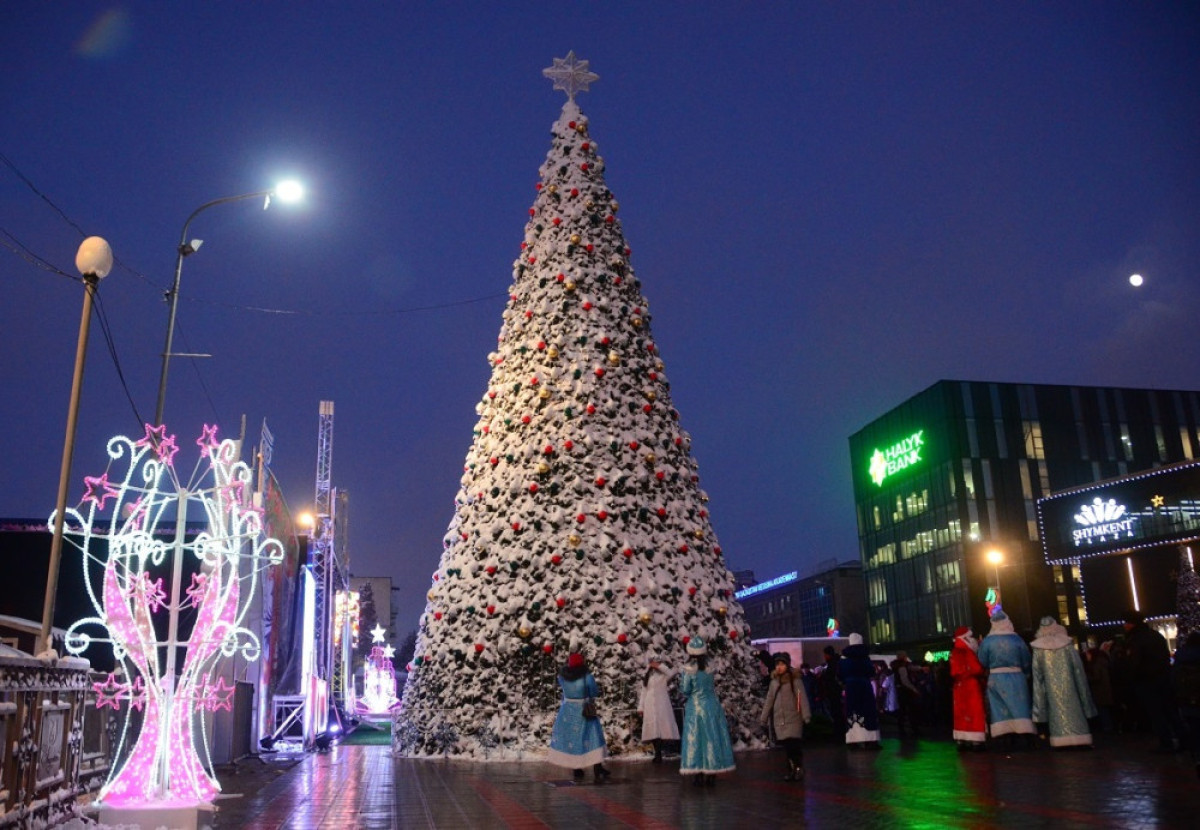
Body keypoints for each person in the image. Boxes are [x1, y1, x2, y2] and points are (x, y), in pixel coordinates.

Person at [1123, 611, 1186, 751]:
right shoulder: (1155, 636)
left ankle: (1166, 742)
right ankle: (1183, 739)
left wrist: (1131, 677)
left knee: (1156, 713)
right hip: (1163, 678)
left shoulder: (1136, 639)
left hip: (1146, 680)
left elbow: (1134, 662)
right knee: (1170, 710)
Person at [1030, 616, 1097, 749]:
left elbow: (1037, 676)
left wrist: (1039, 708)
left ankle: (1060, 738)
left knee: (1056, 711)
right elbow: (1078, 669)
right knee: (1074, 708)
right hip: (1070, 686)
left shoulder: (1038, 648)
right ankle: (1080, 736)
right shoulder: (1067, 645)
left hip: (1051, 689)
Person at [678, 636, 736, 786]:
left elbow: (685, 689)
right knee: (712, 738)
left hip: (695, 708)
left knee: (695, 739)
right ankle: (712, 772)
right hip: (712, 706)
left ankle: (697, 772)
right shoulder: (710, 667)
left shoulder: (688, 669)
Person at [547, 652, 611, 782]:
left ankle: (576, 769)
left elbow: (562, 691)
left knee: (572, 739)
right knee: (593, 737)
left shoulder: (562, 677)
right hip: (584, 710)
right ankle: (597, 768)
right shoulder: (586, 676)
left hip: (567, 711)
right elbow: (594, 691)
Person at [976, 610, 1036, 747]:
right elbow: (1026, 659)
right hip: (1017, 678)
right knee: (1020, 706)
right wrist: (1026, 674)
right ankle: (1025, 736)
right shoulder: (1017, 639)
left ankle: (1004, 738)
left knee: (999, 708)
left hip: (996, 679)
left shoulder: (987, 641)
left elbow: (982, 661)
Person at [760, 651, 813, 781]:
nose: (779, 667)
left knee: (793, 746)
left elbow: (802, 699)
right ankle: (792, 770)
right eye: (777, 664)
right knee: (788, 748)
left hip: (793, 718)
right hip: (780, 720)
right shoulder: (774, 682)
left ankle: (798, 769)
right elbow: (769, 701)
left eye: (782, 664)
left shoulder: (794, 680)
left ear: (787, 665)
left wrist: (805, 715)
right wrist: (763, 718)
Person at [839, 634, 881, 749]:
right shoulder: (865, 658)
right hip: (865, 686)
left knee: (853, 712)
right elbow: (871, 672)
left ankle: (853, 741)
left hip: (851, 687)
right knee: (868, 712)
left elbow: (840, 674)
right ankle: (871, 741)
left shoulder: (844, 659)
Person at [950, 626, 987, 750]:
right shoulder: (967, 651)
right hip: (971, 685)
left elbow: (953, 671)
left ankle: (962, 739)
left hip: (959, 687)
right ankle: (975, 740)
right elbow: (976, 669)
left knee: (961, 713)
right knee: (974, 711)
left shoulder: (955, 651)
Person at [638, 656, 679, 763]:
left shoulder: (664, 676)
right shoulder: (647, 676)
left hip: (662, 704)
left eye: (656, 663)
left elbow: (672, 672)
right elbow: (643, 692)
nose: (654, 665)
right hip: (649, 704)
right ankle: (657, 753)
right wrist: (641, 707)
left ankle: (659, 752)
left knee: (661, 728)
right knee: (653, 729)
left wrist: (660, 666)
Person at [1172, 630, 1200, 778]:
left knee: (1193, 726)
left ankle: (1196, 754)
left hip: (1186, 698)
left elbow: (1174, 678)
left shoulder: (1181, 656)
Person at [1082, 645, 1115, 733]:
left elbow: (1096, 677)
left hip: (1100, 691)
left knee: (1102, 710)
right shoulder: (1102, 661)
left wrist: (1086, 677)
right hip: (1104, 690)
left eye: (1088, 654)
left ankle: (1107, 727)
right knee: (1104, 710)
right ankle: (1107, 727)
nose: (1087, 656)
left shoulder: (1096, 664)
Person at [818, 645, 846, 740]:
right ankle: (840, 732)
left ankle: (839, 734)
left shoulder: (832, 664)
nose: (824, 657)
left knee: (836, 713)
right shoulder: (836, 663)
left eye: (825, 654)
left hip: (834, 692)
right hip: (835, 691)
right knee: (838, 713)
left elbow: (830, 678)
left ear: (828, 654)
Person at [891, 651, 922, 738]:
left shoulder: (897, 666)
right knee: (911, 711)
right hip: (906, 692)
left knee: (902, 712)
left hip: (900, 692)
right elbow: (905, 681)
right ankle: (914, 729)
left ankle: (902, 730)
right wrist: (914, 689)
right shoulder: (902, 667)